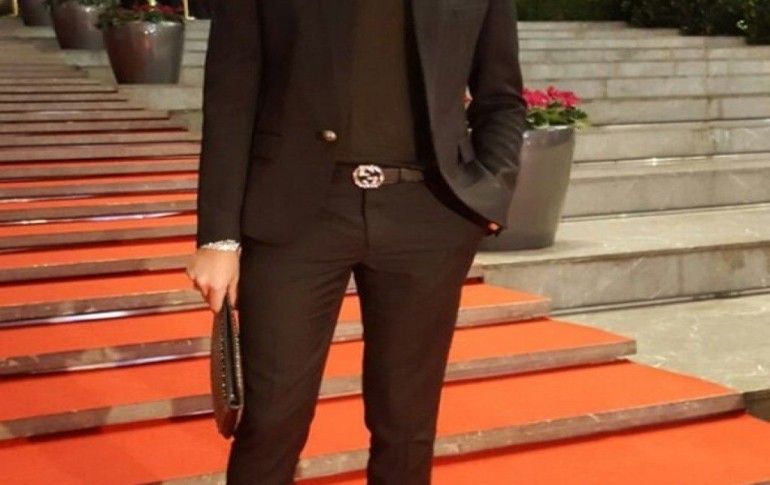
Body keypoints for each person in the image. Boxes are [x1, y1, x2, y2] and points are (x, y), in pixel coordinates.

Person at [185, 0, 526, 483]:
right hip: (293, 213)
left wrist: (492, 189)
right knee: (272, 416)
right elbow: (230, 94)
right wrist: (219, 237)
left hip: (428, 213)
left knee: (406, 422)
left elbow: (501, 97)